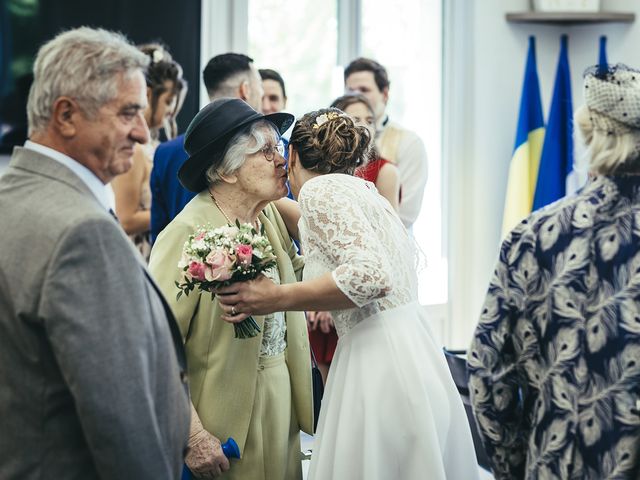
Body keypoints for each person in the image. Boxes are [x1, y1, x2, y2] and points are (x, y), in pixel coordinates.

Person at [216, 108, 479, 480]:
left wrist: (277, 296)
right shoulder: (360, 190)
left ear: (292, 156)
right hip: (413, 349)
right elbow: (310, 230)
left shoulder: (321, 191)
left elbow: (371, 275)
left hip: (379, 358)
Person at [0, 27, 190, 479]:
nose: (144, 133)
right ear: (66, 115)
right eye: (128, 113)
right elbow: (122, 425)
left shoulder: (10, 194)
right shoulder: (84, 234)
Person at [468, 64, 640, 480]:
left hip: (562, 461)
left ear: (585, 134)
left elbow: (489, 374)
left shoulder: (534, 236)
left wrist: (520, 466)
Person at [149, 98, 313, 479]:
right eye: (266, 150)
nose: (281, 159)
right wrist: (191, 435)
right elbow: (157, 344)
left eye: (279, 147)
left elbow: (305, 269)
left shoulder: (269, 213)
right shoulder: (186, 233)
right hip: (222, 414)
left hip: (282, 396)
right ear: (226, 171)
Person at [150, 53, 264, 242]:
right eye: (260, 87)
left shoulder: (165, 153)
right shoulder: (268, 154)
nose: (262, 96)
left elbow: (158, 232)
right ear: (245, 90)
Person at [111, 43, 182, 260]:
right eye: (168, 101)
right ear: (149, 94)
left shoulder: (153, 146)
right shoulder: (135, 150)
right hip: (139, 254)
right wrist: (176, 212)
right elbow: (126, 218)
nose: (171, 111)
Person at [344, 57, 428, 228]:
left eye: (364, 89)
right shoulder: (334, 141)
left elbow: (406, 213)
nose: (357, 96)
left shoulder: (409, 142)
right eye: (351, 91)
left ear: (385, 94)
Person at [332, 93, 400, 209]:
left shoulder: (386, 171)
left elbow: (393, 225)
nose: (365, 127)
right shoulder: (326, 165)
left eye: (369, 121)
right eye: (356, 120)